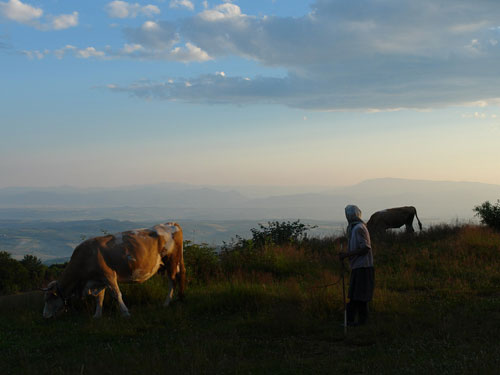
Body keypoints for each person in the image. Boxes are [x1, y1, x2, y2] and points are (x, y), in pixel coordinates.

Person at [339, 205, 374, 326]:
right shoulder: (355, 228)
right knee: (355, 295)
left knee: (360, 296)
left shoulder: (359, 228)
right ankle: (351, 320)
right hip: (358, 266)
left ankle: (359, 322)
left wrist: (347, 255)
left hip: (363, 266)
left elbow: (365, 248)